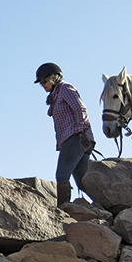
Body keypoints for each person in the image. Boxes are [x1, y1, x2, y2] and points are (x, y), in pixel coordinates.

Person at [35, 62, 95, 206]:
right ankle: (105, 207)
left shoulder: (66, 88)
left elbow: (80, 109)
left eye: (45, 81)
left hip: (76, 137)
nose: (43, 84)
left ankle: (63, 210)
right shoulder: (55, 96)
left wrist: (83, 132)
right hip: (75, 139)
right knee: (82, 182)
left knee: (62, 175)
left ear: (55, 77)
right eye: (41, 82)